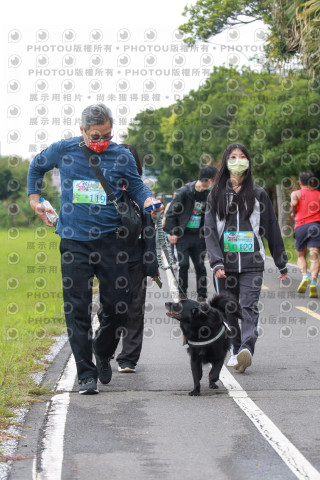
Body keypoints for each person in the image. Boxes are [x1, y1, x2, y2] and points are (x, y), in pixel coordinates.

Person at [27, 103, 163, 394]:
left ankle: (102, 349)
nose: (102, 142)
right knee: (77, 307)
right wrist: (34, 199)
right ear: (82, 131)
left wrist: (148, 199)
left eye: (107, 135)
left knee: (120, 305)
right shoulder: (64, 150)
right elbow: (37, 166)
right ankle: (85, 373)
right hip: (74, 241)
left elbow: (137, 187)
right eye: (95, 136)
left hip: (112, 242)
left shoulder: (122, 155)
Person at [204, 143, 288, 373]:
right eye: (233, 157)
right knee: (229, 308)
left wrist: (281, 262)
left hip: (252, 263)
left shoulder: (259, 194)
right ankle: (235, 348)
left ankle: (247, 349)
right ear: (226, 162)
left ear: (248, 163)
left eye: (242, 157)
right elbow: (209, 230)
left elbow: (271, 228)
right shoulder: (216, 194)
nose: (238, 160)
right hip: (224, 265)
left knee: (249, 306)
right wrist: (216, 262)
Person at [115, 144, 159, 373]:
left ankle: (128, 358)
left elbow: (150, 231)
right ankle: (104, 348)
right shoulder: (105, 190)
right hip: (109, 258)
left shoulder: (143, 193)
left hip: (136, 259)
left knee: (135, 309)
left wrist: (152, 264)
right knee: (109, 307)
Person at [164, 166, 217, 301]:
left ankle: (202, 295)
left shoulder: (208, 194)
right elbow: (171, 214)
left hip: (199, 235)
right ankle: (182, 293)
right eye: (214, 180)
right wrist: (173, 233)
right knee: (184, 264)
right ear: (209, 180)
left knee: (200, 265)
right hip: (183, 235)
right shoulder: (185, 192)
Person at [290, 171, 320, 298]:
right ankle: (313, 281)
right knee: (314, 256)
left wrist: (294, 210)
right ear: (312, 182)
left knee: (301, 255)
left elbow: (294, 208)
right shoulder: (318, 194)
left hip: (301, 226)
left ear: (300, 182)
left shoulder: (296, 193)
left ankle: (304, 277)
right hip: (316, 226)